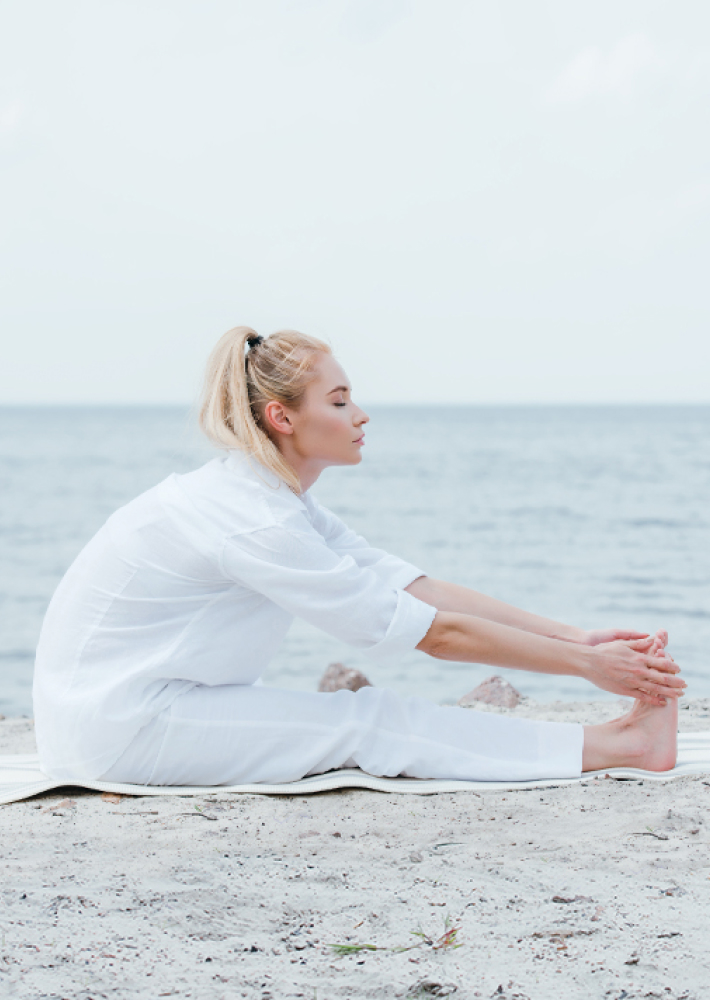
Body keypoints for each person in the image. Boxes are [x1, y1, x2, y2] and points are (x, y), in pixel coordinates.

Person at [32, 327, 685, 787]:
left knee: (360, 717)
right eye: (340, 402)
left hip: (130, 712)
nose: (361, 415)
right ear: (282, 418)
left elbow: (413, 588)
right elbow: (435, 636)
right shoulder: (251, 518)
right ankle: (619, 744)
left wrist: (574, 636)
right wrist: (589, 666)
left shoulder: (270, 497)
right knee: (366, 723)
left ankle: (618, 739)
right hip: (120, 729)